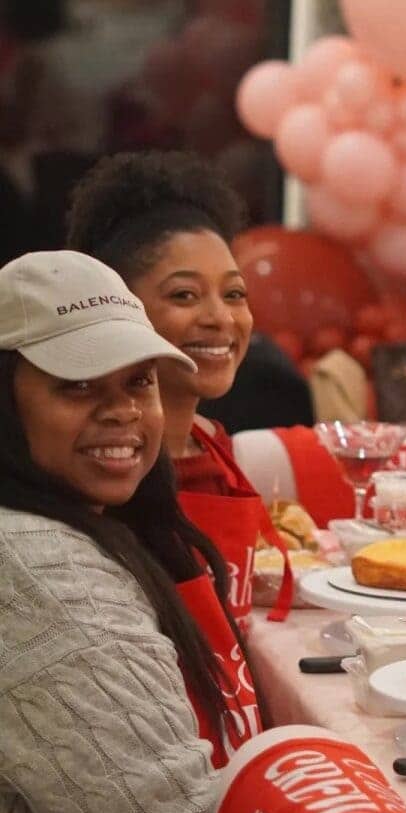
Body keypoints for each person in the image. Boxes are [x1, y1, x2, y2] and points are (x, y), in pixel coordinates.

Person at [0, 250, 236, 813]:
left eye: (139, 382)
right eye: (77, 385)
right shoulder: (36, 568)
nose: (123, 412)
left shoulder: (92, 518)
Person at [65, 150, 295, 623]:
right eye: (184, 295)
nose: (220, 319)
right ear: (120, 306)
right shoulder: (104, 471)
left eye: (234, 294)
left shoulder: (211, 443)